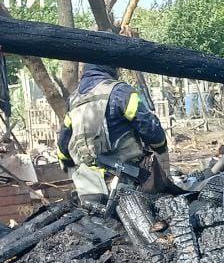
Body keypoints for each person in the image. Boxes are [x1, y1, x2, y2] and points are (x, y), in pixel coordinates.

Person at [57, 64, 169, 202]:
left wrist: (69, 164)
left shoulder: (73, 100)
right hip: (124, 181)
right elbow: (151, 128)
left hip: (88, 186)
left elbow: (63, 147)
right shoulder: (121, 91)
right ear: (112, 67)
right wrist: (161, 147)